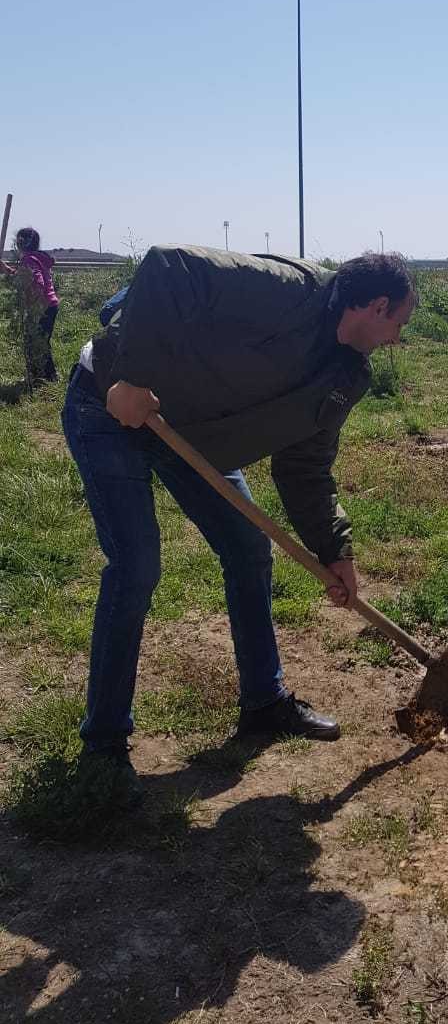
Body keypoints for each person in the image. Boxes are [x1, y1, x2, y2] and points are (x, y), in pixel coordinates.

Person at [62, 245, 416, 807]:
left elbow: (305, 467)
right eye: (400, 321)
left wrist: (334, 548)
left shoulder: (346, 374)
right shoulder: (285, 290)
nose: (400, 336)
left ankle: (263, 703)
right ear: (376, 305)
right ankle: (103, 747)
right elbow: (167, 266)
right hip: (111, 407)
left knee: (250, 550)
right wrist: (132, 378)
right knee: (136, 567)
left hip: (195, 439)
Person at [0, 226, 60, 382]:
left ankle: (43, 377)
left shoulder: (28, 259)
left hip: (42, 307)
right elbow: (24, 275)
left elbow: (36, 280)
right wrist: (7, 269)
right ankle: (43, 377)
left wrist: (33, 302)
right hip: (50, 305)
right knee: (39, 341)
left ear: (20, 243)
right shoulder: (37, 258)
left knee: (36, 342)